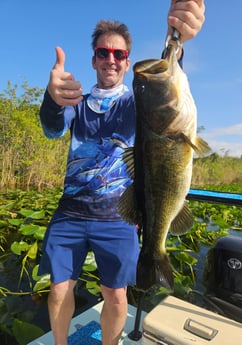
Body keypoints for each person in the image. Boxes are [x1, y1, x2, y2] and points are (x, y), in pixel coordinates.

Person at [38, 1, 205, 344]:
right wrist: (52, 100)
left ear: (127, 61)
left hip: (118, 216)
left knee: (116, 296)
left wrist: (176, 40)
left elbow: (162, 94)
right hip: (70, 213)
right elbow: (53, 128)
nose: (110, 59)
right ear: (94, 59)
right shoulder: (78, 103)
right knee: (57, 290)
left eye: (118, 54)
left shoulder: (136, 103)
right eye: (103, 52)